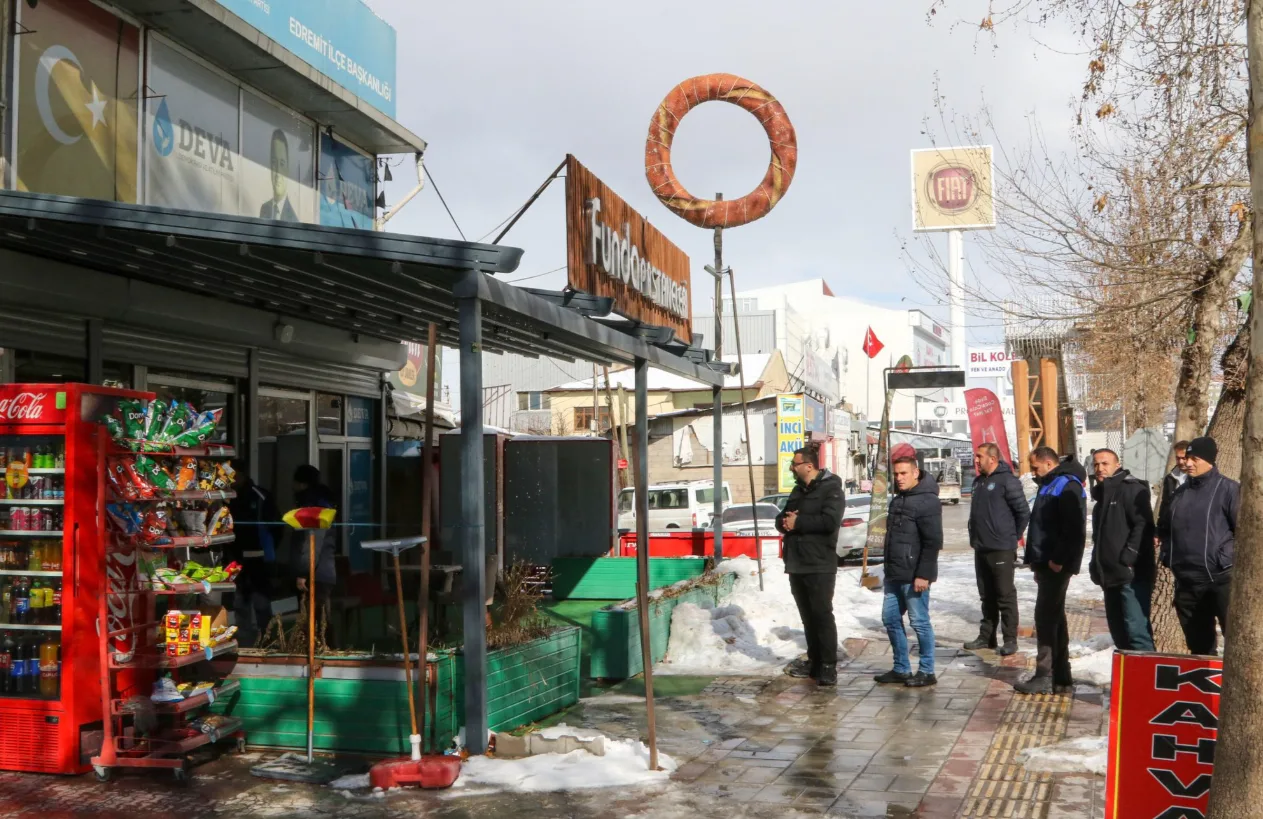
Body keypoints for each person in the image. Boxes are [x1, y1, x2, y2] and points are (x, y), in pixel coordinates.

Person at [1157, 436, 1238, 656]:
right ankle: (1204, 677)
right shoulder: (1180, 492)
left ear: (1209, 460)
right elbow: (1166, 527)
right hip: (1187, 581)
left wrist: (1225, 558)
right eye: (1187, 458)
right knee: (1199, 646)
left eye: (1195, 459)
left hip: (1221, 579)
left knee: (1235, 642)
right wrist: (1168, 556)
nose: (1188, 463)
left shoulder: (1229, 490)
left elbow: (1243, 532)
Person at [1015, 447, 1086, 695]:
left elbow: (1073, 528)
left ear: (1048, 463)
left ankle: (1044, 675)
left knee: (1045, 619)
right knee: (1055, 619)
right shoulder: (1049, 484)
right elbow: (1041, 526)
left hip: (1056, 564)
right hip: (1046, 563)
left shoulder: (1066, 485)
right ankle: (1061, 677)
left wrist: (1058, 560)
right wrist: (1036, 562)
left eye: (1035, 467)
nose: (1033, 473)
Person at [776, 444, 845, 686]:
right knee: (807, 617)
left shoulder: (831, 489)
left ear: (808, 465)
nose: (791, 468)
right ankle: (814, 661)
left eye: (794, 464)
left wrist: (799, 522)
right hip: (797, 562)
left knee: (821, 615)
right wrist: (784, 522)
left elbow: (830, 522)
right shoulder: (798, 490)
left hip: (819, 563)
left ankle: (828, 665)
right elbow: (782, 516)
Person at [874, 444, 942, 688]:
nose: (899, 478)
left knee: (919, 622)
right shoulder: (898, 500)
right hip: (894, 573)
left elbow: (933, 541)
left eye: (903, 473)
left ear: (915, 472)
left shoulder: (928, 501)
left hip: (915, 575)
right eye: (896, 474)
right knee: (890, 618)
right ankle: (901, 668)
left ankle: (927, 670)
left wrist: (924, 574)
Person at [965, 442, 1029, 655]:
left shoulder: (1007, 481)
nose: (976, 460)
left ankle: (1010, 639)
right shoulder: (978, 482)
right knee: (986, 595)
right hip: (981, 547)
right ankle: (987, 637)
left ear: (992, 459)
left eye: (979, 456)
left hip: (1001, 548)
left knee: (1005, 594)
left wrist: (1012, 536)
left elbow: (1023, 512)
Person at [1089, 449, 1156, 651]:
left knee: (1137, 633)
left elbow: (1143, 525)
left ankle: (1145, 671)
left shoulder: (1130, 489)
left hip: (1131, 576)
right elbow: (1099, 538)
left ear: (1117, 465)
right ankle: (1129, 672)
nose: (1100, 468)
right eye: (1096, 464)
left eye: (1105, 464)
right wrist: (1095, 564)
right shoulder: (1102, 497)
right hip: (1109, 576)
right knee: (1119, 635)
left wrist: (1129, 556)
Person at [227, 463, 283, 648]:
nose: (230, 479)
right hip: (236, 558)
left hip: (259, 557)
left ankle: (268, 641)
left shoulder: (259, 495)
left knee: (261, 602)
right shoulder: (227, 497)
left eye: (233, 474)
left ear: (242, 474)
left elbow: (277, 527)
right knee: (240, 602)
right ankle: (244, 644)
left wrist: (268, 550)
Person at [291, 464, 338, 639]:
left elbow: (312, 542)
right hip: (322, 571)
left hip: (316, 573)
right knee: (320, 621)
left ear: (302, 484)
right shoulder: (323, 503)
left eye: (295, 483)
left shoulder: (314, 507)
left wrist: (304, 571)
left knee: (316, 623)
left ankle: (323, 652)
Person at [259, 128, 299, 222]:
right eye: (274, 163)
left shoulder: (293, 219)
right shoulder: (264, 209)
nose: (277, 172)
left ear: (288, 169)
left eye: (282, 164)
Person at [1158, 440, 1191, 524]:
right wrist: (1160, 527)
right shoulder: (1170, 478)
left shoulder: (1197, 479)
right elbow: (1165, 505)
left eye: (1184, 458)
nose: (1180, 462)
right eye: (1178, 458)